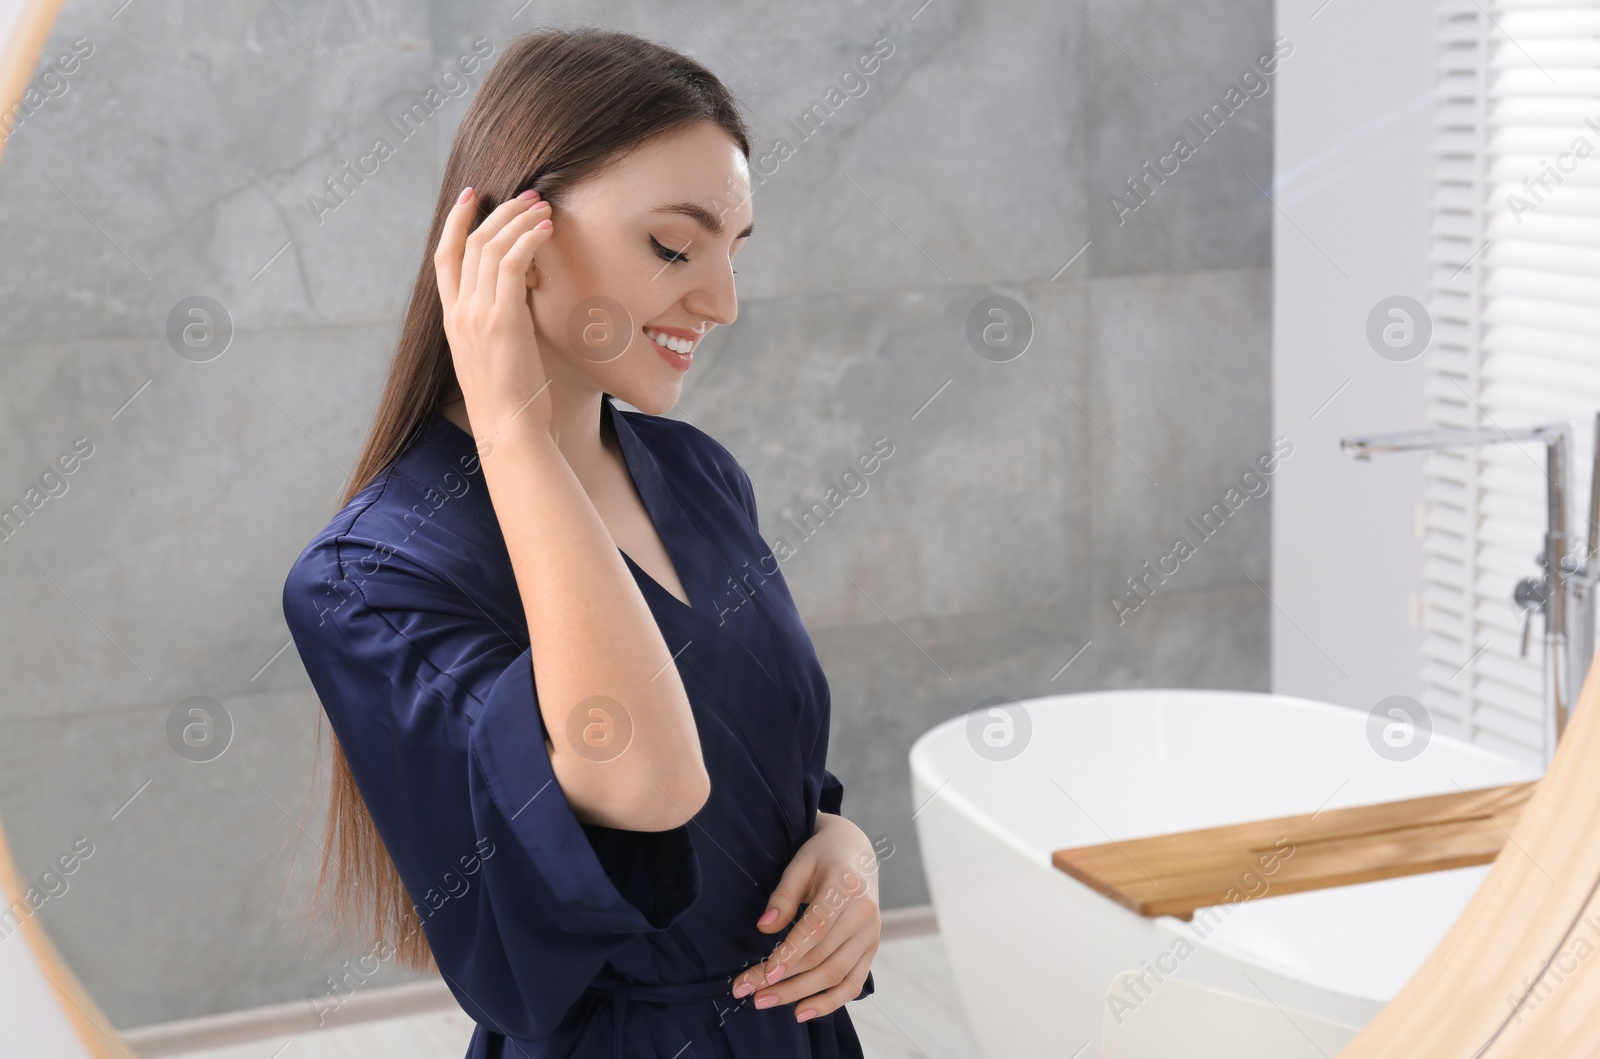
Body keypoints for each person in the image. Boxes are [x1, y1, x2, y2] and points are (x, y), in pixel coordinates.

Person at [280, 26, 880, 1059]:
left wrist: (847, 849)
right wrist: (512, 427)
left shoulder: (695, 473)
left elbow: (769, 778)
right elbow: (648, 785)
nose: (721, 301)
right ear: (513, 232)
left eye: (733, 253)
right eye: (671, 247)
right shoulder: (367, 580)